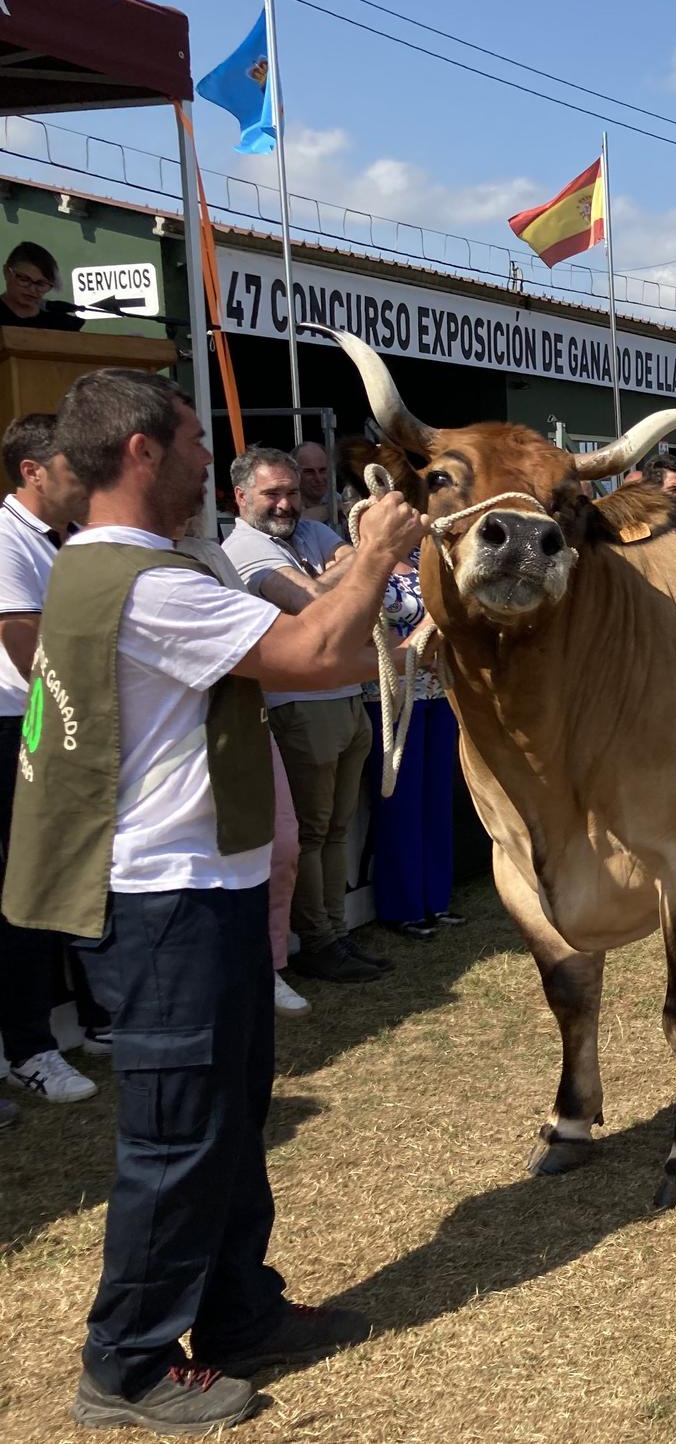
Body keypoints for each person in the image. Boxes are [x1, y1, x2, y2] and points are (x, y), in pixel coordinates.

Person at [7, 367, 424, 1433]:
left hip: (201, 887)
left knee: (228, 1120)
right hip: (168, 903)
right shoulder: (149, 585)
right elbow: (317, 654)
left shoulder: (125, 570)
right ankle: (127, 1367)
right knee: (176, 1138)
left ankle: (239, 1311)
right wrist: (375, 551)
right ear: (142, 452)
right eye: (195, 439)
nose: (209, 458)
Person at [223, 448, 387, 985]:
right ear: (240, 497)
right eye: (272, 493)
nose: (286, 503)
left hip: (345, 696)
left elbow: (351, 568)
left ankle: (337, 933)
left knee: (337, 829)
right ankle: (318, 942)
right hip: (299, 706)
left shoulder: (309, 532)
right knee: (313, 834)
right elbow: (313, 607)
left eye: (291, 491)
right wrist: (353, 568)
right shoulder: (243, 549)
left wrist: (348, 568)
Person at [0, 414, 100, 1107]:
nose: (85, 479)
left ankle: (96, 1020)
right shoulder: (7, 538)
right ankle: (30, 1048)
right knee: (27, 893)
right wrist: (85, 720)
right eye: (71, 466)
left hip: (55, 726)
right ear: (33, 472)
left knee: (73, 878)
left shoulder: (68, 538)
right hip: (19, 729)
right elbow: (24, 644)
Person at [173, 522, 312, 1018]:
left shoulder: (209, 551)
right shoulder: (125, 560)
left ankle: (267, 968)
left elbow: (259, 635)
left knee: (283, 845)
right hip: (178, 738)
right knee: (200, 864)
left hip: (244, 719)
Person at [364, 549, 465, 943]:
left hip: (438, 694)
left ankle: (436, 898)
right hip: (391, 697)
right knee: (401, 804)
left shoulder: (426, 560)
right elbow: (383, 636)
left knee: (437, 799)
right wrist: (432, 625)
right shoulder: (365, 566)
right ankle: (402, 906)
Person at [0, 241, 84, 331]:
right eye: (24, 279)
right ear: (7, 272)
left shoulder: (61, 324)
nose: (32, 289)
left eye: (41, 284)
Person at [294, 441, 340, 531]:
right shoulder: (289, 501)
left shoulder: (336, 497)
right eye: (309, 472)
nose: (318, 478)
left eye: (323, 470)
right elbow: (297, 524)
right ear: (295, 473)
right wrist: (334, 508)